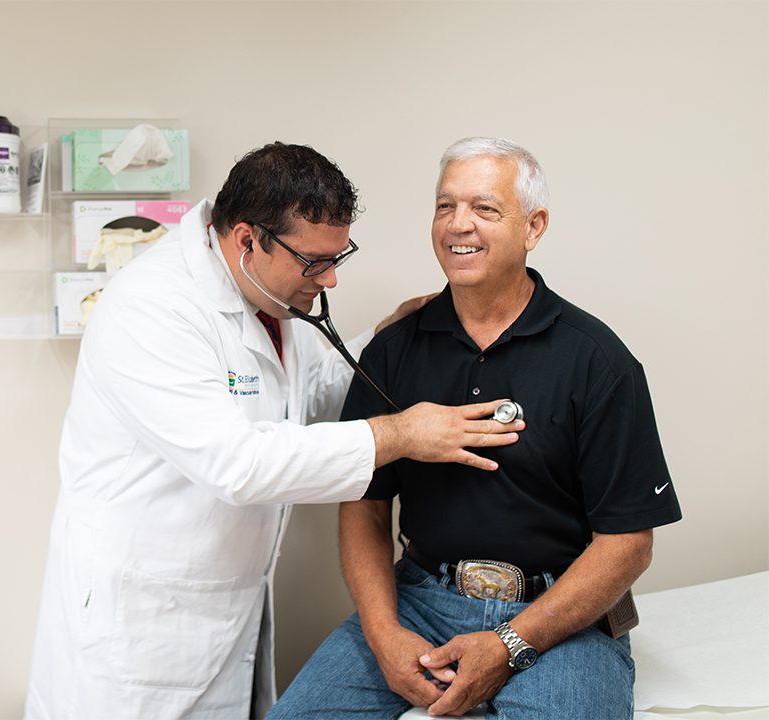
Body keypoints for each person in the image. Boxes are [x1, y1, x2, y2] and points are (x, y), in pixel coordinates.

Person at [26, 142, 527, 720]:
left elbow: (308, 392)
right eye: (315, 262)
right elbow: (237, 464)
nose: (332, 279)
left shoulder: (265, 301)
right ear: (247, 241)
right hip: (138, 623)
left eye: (338, 258)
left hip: (224, 604)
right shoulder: (151, 308)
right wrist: (404, 434)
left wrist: (384, 342)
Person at [269, 137, 683, 720]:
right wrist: (384, 632)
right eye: (445, 206)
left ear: (533, 227)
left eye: (485, 209)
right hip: (418, 602)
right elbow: (363, 507)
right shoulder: (394, 349)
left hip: (557, 616)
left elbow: (629, 544)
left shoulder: (596, 361)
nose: (458, 225)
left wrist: (511, 644)